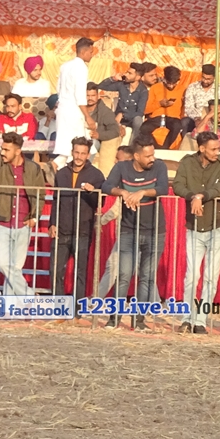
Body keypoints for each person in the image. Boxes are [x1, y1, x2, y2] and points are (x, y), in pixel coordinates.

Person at [102, 137, 168, 330]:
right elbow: (106, 186)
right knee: (124, 275)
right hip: (128, 230)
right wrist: (122, 192)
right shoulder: (122, 167)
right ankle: (114, 319)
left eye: (153, 154)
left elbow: (163, 188)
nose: (152, 158)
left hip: (155, 231)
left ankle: (139, 321)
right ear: (136, 156)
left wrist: (142, 192)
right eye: (148, 156)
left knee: (146, 277)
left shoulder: (159, 166)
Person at [172, 132, 220, 334]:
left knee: (210, 278)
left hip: (216, 226)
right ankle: (187, 318)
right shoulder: (187, 163)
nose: (217, 152)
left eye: (218, 148)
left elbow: (218, 188)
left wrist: (200, 197)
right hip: (194, 226)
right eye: (213, 149)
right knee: (192, 276)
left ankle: (201, 321)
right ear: (202, 148)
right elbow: (177, 185)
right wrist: (192, 197)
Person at [0, 131, 45, 297]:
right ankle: (30, 297)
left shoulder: (33, 168)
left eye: (6, 149)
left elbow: (40, 195)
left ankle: (9, 305)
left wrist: (35, 217)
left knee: (15, 269)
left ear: (18, 151)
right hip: (2, 222)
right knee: (5, 265)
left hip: (24, 224)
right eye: (2, 148)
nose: (2, 152)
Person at [50, 137, 103, 301]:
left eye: (83, 153)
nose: (79, 156)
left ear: (88, 154)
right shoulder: (61, 173)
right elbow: (56, 200)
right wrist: (52, 223)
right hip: (62, 230)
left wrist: (92, 192)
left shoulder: (96, 175)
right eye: (77, 152)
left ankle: (77, 309)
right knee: (55, 271)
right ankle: (58, 307)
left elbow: (100, 203)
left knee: (80, 273)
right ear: (72, 152)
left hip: (83, 231)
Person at [94, 145, 134, 297]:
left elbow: (117, 209)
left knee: (116, 266)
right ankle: (97, 298)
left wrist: (101, 221)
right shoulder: (125, 180)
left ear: (129, 160)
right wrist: (101, 221)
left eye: (119, 159)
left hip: (132, 233)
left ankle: (96, 299)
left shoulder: (132, 181)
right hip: (127, 233)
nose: (116, 162)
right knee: (142, 272)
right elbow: (117, 208)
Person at [54, 38, 97, 165]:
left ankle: (54, 167)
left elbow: (58, 89)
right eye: (91, 52)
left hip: (62, 110)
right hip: (73, 112)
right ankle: (54, 167)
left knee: (67, 148)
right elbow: (80, 95)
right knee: (78, 148)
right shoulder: (81, 67)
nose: (92, 55)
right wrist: (88, 116)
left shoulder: (64, 66)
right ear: (83, 52)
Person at [98, 62, 152, 134]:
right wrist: (114, 78)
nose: (126, 74)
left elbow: (140, 112)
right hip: (117, 118)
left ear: (138, 77)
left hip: (131, 120)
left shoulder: (143, 91)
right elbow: (101, 86)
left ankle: (134, 141)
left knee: (138, 120)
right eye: (127, 72)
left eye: (130, 73)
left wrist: (123, 115)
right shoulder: (122, 84)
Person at [140, 65, 186, 149]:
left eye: (174, 83)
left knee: (177, 125)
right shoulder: (155, 88)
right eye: (169, 83)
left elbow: (184, 109)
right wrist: (159, 104)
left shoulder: (183, 89)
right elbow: (146, 110)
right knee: (144, 128)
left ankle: (164, 148)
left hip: (173, 118)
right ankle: (156, 147)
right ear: (164, 78)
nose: (171, 86)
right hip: (156, 118)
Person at [82, 81, 122, 173]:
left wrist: (99, 135)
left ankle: (84, 170)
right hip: (77, 137)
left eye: (93, 95)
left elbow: (115, 130)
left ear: (98, 96)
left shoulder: (105, 112)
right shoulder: (78, 109)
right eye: (87, 95)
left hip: (94, 141)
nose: (90, 98)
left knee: (92, 144)